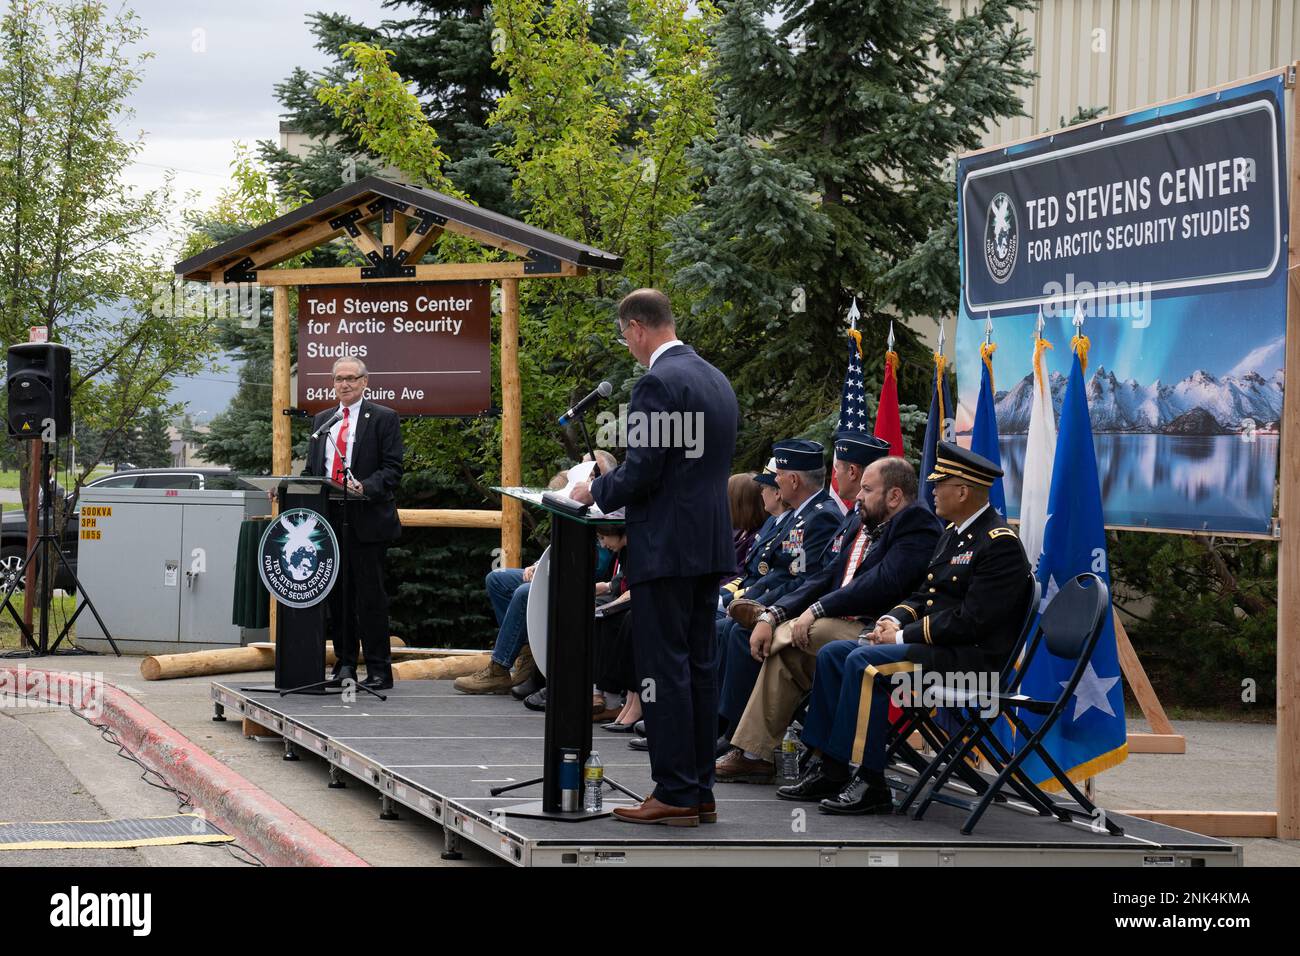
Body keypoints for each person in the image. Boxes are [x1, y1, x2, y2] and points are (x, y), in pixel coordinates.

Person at [778, 443, 1032, 814]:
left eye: (940, 483)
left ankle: (870, 780)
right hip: (938, 650)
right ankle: (830, 767)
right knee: (835, 654)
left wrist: (901, 636)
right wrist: (893, 619)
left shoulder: (999, 544)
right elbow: (924, 595)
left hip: (973, 666)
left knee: (866, 664)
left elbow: (971, 621)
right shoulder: (953, 534)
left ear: (962, 491)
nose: (931, 490)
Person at [572, 288, 738, 827]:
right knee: (699, 666)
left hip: (666, 548)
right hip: (707, 545)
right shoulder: (715, 379)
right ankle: (699, 789)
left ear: (638, 328)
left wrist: (595, 490)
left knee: (663, 670)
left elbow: (644, 469)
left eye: (625, 337)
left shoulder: (657, 383)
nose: (628, 347)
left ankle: (673, 791)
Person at [716, 455, 941, 781]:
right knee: (787, 656)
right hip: (844, 629)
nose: (858, 497)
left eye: (867, 489)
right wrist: (778, 611)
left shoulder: (917, 525)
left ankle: (824, 760)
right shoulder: (866, 522)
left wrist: (803, 614)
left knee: (803, 632)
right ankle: (755, 754)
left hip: (876, 632)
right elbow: (825, 575)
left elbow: (881, 583)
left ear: (894, 496)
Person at [713, 439, 844, 741]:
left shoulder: (821, 516)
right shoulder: (800, 515)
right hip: (779, 604)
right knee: (725, 627)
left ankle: (734, 733)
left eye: (779, 476)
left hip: (797, 611)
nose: (775, 482)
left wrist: (766, 610)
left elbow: (806, 580)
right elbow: (774, 571)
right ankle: (716, 723)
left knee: (736, 632)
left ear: (794, 480)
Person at [304, 356, 404, 691]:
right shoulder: (323, 421)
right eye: (338, 379)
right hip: (331, 521)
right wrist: (288, 489)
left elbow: (393, 470)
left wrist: (365, 487)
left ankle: (378, 670)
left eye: (351, 378)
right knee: (339, 597)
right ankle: (344, 665)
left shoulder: (383, 418)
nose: (344, 384)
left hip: (367, 520)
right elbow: (310, 473)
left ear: (365, 381)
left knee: (370, 599)